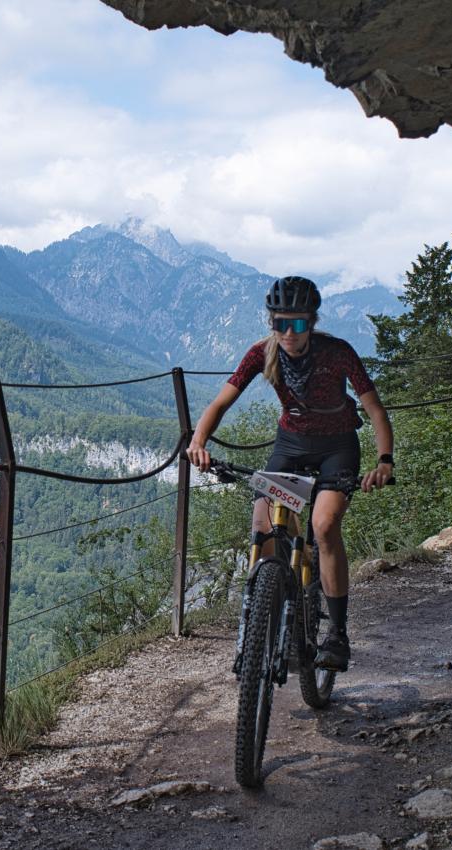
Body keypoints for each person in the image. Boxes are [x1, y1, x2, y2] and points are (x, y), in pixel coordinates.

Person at [185, 275, 393, 671]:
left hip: (337, 446)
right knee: (263, 524)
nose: (289, 333)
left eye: (297, 324)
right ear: (272, 323)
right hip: (291, 445)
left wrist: (385, 460)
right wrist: (199, 441)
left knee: (325, 524)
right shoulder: (261, 354)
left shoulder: (338, 352)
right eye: (280, 323)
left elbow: (375, 410)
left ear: (312, 322)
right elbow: (221, 403)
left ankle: (336, 635)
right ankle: (272, 603)